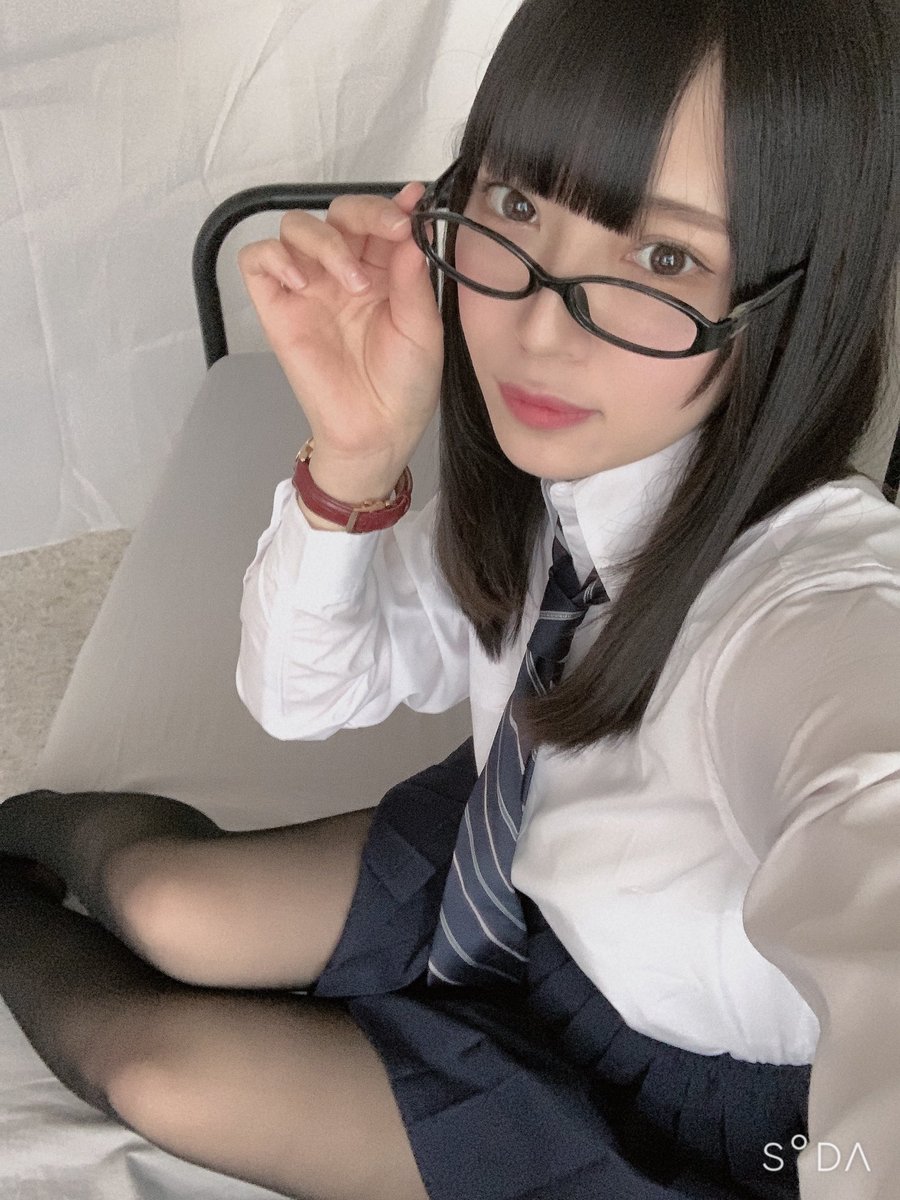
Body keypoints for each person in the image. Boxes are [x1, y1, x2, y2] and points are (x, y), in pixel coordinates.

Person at [1, 0, 898, 1197]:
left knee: (161, 1074)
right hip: (520, 872)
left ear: (802, 294)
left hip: (685, 1107)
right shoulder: (560, 494)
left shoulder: (813, 613)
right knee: (166, 902)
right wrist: (354, 459)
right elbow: (300, 698)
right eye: (518, 207)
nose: (538, 329)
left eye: (663, 259)